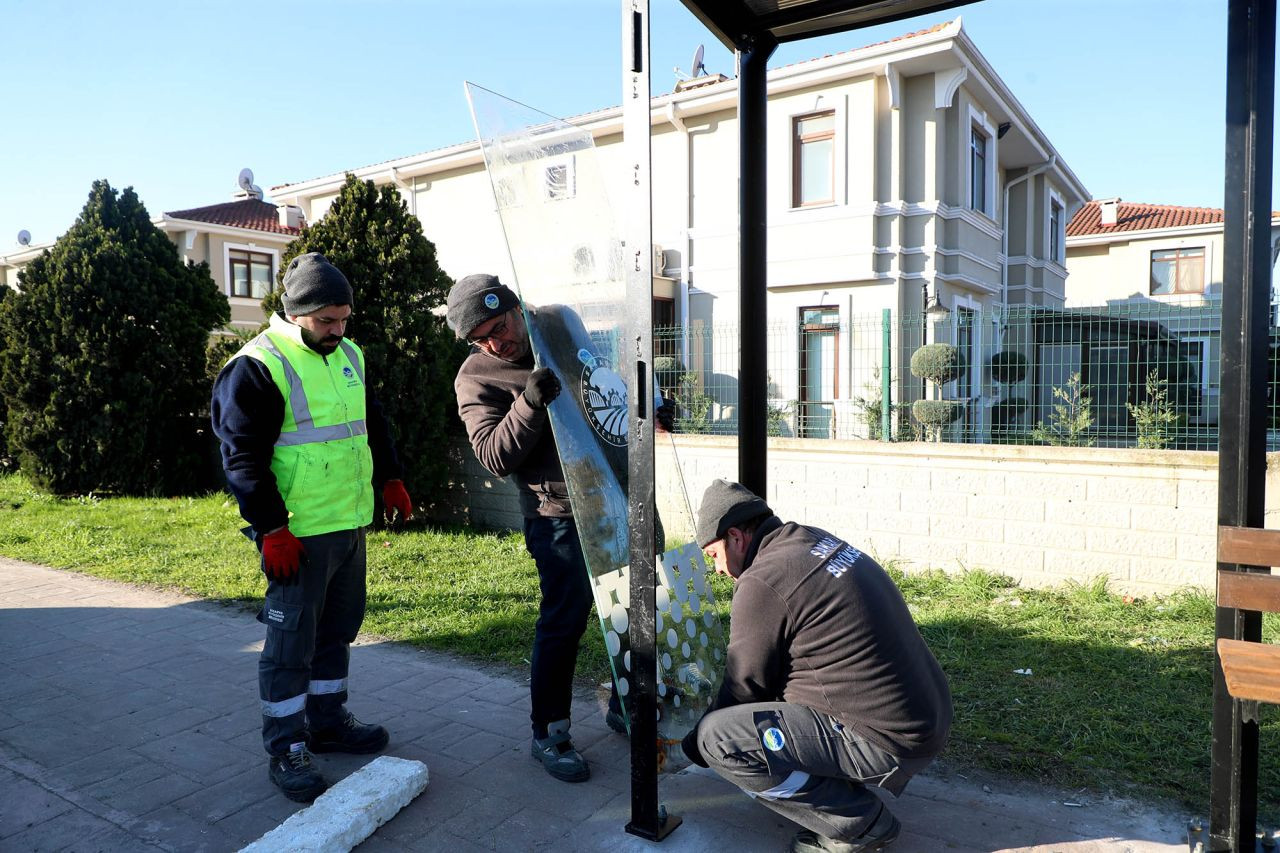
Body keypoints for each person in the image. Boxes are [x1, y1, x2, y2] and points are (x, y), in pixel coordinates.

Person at [446, 273, 671, 784]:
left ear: (515, 308)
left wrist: (650, 406)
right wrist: (527, 404)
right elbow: (494, 456)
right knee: (564, 624)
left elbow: (603, 379)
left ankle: (628, 705)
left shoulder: (558, 325)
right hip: (560, 517)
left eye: (499, 328)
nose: (495, 343)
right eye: (480, 339)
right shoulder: (476, 376)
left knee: (636, 608)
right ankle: (549, 732)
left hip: (620, 493)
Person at [211, 252, 414, 803]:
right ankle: (286, 746)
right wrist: (272, 529)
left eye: (344, 319)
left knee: (337, 630)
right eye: (326, 320)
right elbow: (241, 459)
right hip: (296, 535)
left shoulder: (350, 354)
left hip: (348, 523)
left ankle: (326, 721)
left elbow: (372, 423)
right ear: (295, 312)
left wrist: (391, 477)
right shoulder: (257, 366)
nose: (337, 330)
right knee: (290, 644)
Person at [681, 479, 952, 853]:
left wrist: (692, 747)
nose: (717, 570)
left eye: (714, 555)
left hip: (888, 740)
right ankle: (833, 781)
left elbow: (743, 687)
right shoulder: (811, 540)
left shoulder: (763, 580)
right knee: (769, 704)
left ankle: (858, 824)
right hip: (926, 717)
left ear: (736, 537)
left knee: (719, 740)